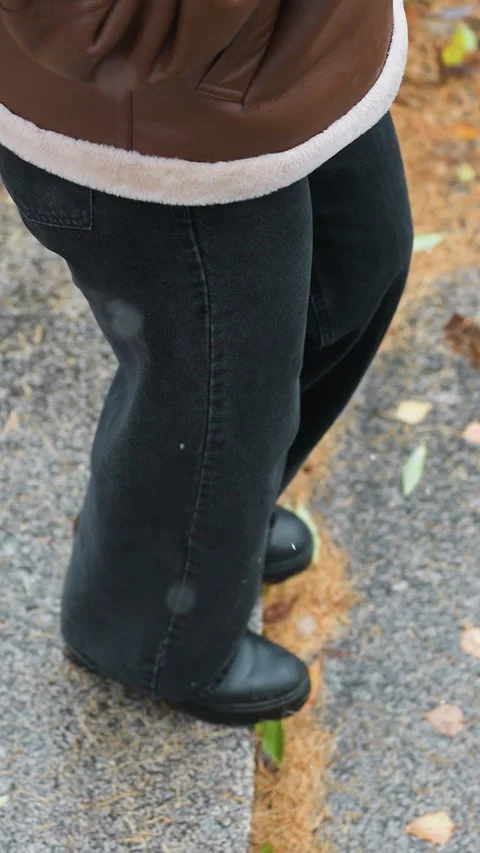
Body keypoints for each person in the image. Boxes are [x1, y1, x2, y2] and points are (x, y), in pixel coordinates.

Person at [0, 0, 412, 727]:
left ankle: (216, 527)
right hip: (153, 119)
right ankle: (146, 636)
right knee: (216, 391)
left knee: (356, 272)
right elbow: (85, 26)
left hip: (294, 48)